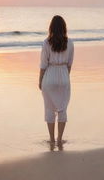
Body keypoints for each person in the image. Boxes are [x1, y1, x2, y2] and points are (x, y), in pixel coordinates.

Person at [39, 15, 74, 149]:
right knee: (62, 109)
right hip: (64, 75)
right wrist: (64, 78)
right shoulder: (70, 43)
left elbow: (43, 64)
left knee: (49, 109)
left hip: (49, 76)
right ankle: (60, 139)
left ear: (51, 27)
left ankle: (52, 139)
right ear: (64, 28)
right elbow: (70, 64)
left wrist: (40, 81)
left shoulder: (46, 42)